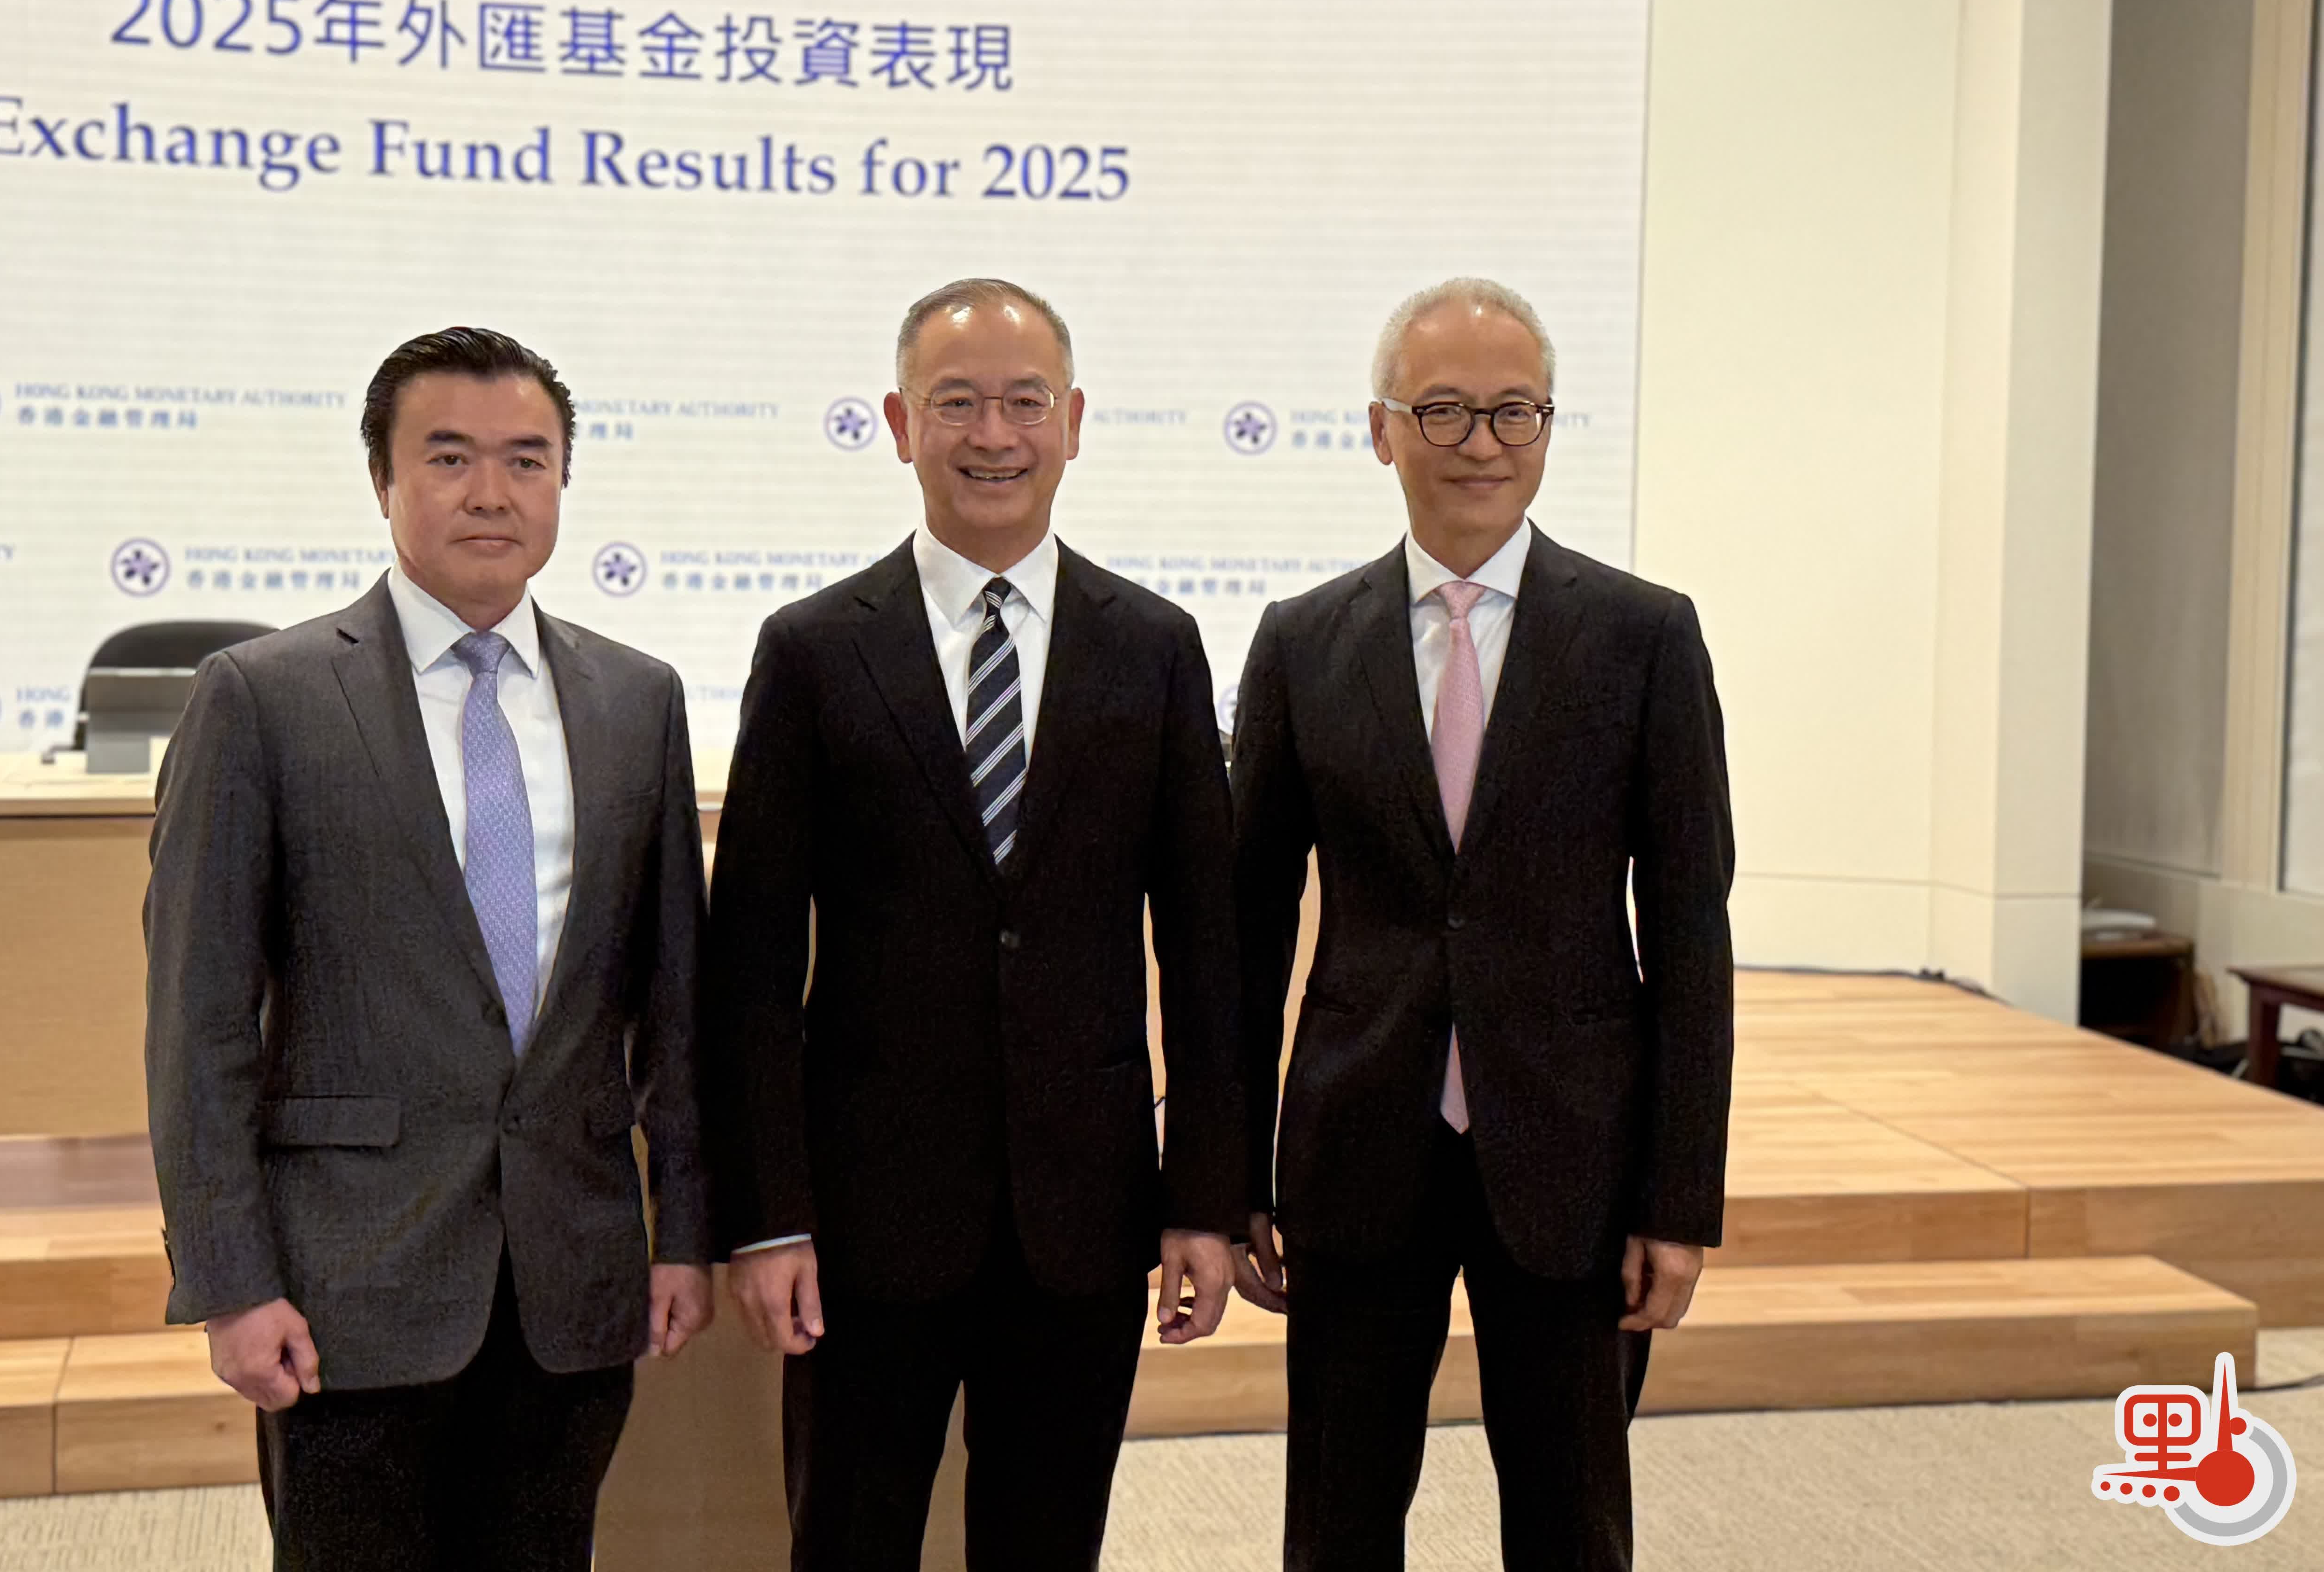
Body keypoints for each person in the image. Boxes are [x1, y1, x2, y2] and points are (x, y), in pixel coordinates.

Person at [145, 326, 714, 1571]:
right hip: (346, 1283)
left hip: (571, 1279)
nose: (490, 492)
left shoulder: (638, 702)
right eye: (449, 458)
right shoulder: (264, 697)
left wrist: (681, 1232)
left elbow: (675, 1008)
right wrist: (230, 1280)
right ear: (383, 479)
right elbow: (198, 1023)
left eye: (527, 460)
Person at [704, 279, 1246, 1572]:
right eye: (956, 402)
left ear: (1073, 423)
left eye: (1024, 401)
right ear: (900, 425)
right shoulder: (813, 651)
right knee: (849, 1539)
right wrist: (768, 1217)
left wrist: (1205, 1201)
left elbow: (1206, 952)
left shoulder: (1156, 647)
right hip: (863, 1219)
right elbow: (750, 970)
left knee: (1048, 1545)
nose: (992, 434)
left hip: (1085, 1213)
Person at [1228, 279, 1734, 1572]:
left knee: (1572, 1524)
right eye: (1443, 410)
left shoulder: (1644, 638)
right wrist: (1228, 1174)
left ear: (1549, 427)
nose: (1482, 443)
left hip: (1576, 1157)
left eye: (1515, 411)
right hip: (1355, 1149)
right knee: (1338, 1522)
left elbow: (1689, 933)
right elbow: (1246, 929)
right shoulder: (1300, 644)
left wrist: (1680, 1199)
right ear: (1380, 430)